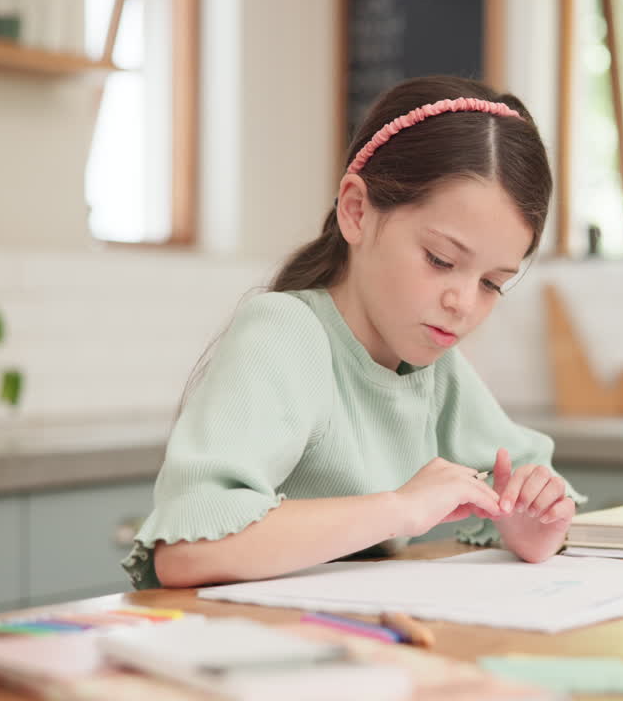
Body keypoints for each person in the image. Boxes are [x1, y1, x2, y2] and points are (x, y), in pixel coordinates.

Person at [122, 76, 583, 590]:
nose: (463, 303)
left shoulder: (434, 369)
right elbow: (187, 552)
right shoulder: (286, 333)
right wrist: (399, 509)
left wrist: (530, 528)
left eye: (494, 283)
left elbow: (530, 500)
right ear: (357, 211)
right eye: (440, 259)